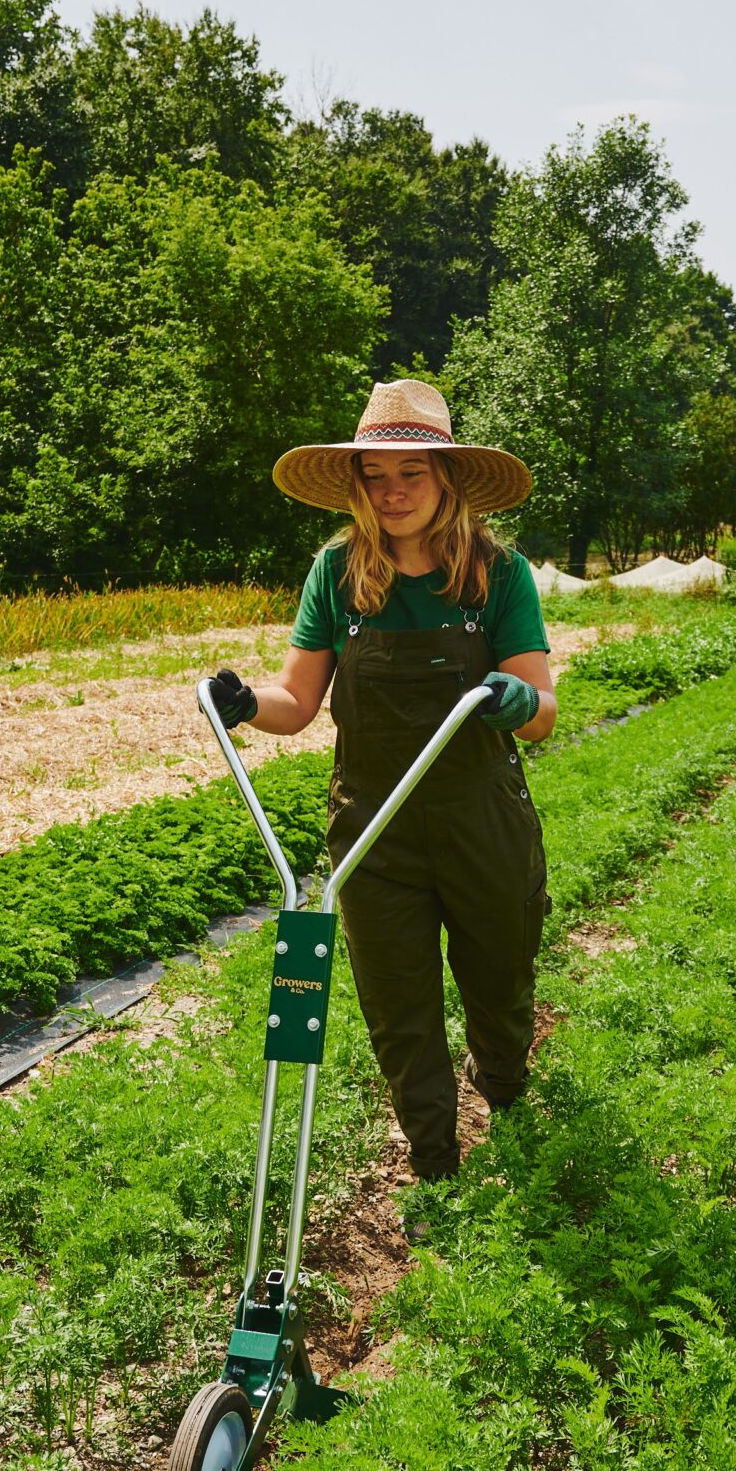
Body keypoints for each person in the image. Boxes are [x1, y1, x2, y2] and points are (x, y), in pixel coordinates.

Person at [206, 379, 555, 1185]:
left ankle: (503, 1088)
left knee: (499, 986)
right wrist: (244, 702)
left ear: (447, 479)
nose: (393, 491)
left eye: (413, 472)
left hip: (481, 819)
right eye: (376, 474)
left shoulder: (498, 574)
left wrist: (513, 700)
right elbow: (296, 703)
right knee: (398, 1010)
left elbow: (541, 713)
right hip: (373, 828)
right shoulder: (336, 572)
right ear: (357, 483)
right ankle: (435, 1161)